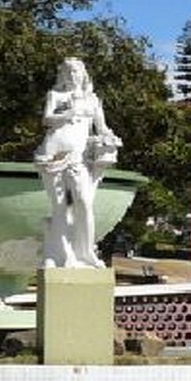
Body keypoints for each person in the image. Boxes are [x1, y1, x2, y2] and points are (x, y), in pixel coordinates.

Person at [34, 58, 120, 268]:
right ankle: (61, 255)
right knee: (59, 207)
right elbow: (46, 119)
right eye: (68, 72)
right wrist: (67, 114)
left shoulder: (92, 100)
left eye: (76, 72)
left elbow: (103, 128)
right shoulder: (55, 95)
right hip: (52, 154)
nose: (72, 75)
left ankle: (86, 251)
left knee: (84, 202)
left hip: (78, 157)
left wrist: (110, 138)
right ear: (62, 75)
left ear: (83, 75)